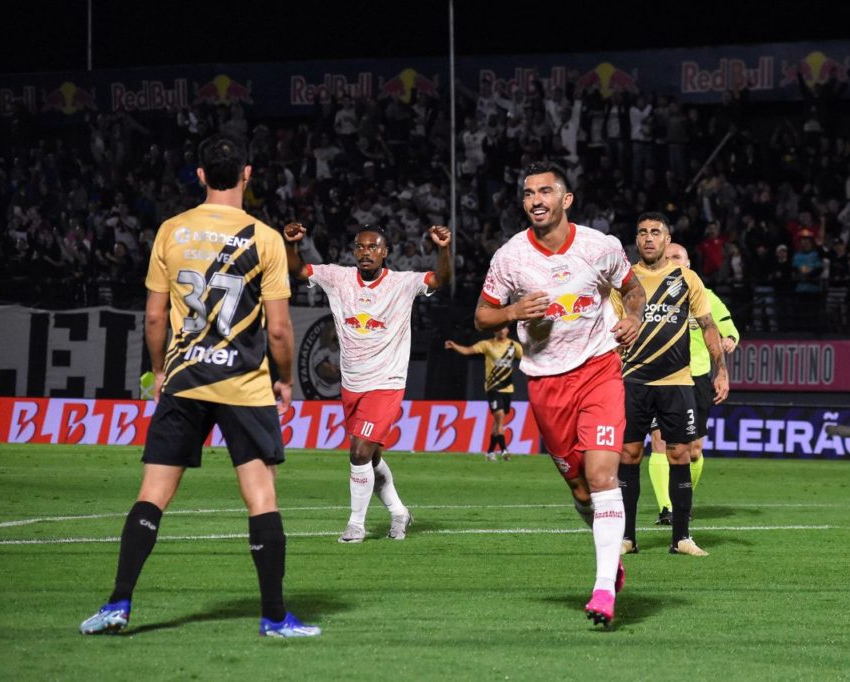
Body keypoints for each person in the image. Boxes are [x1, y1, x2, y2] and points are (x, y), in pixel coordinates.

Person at [80, 134, 320, 638]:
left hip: (185, 379)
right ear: (247, 174)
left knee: (152, 495)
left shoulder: (172, 230)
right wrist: (285, 379)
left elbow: (152, 318)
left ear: (201, 176)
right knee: (261, 498)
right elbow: (279, 329)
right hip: (243, 383)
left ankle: (118, 603)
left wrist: (159, 370)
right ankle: (275, 617)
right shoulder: (266, 238)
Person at [475, 161, 646, 627]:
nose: (535, 200)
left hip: (599, 370)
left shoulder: (600, 246)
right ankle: (612, 557)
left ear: (566, 199)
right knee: (579, 488)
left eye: (545, 191)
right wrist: (512, 310)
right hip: (546, 382)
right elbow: (482, 318)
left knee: (603, 475)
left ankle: (604, 588)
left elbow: (632, 291)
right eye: (528, 193)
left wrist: (633, 317)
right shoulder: (510, 258)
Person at [283, 221, 451, 543]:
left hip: (386, 382)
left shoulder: (402, 283)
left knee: (359, 451)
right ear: (353, 252)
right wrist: (291, 244)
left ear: (385, 252)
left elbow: (440, 278)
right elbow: (299, 271)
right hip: (352, 384)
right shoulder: (338, 278)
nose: (366, 252)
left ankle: (355, 526)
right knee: (370, 458)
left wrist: (444, 250)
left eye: (373, 247)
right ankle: (400, 512)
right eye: (360, 247)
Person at [616, 215, 730, 558]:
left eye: (656, 232)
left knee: (680, 453)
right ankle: (626, 538)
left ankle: (681, 538)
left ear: (667, 239)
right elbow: (609, 326)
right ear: (636, 240)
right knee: (628, 454)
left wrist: (720, 371)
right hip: (632, 379)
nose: (648, 238)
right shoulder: (623, 280)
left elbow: (709, 327)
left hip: (676, 382)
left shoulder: (687, 278)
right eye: (642, 232)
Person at [648, 242, 739, 527]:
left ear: (688, 263)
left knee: (694, 450)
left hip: (696, 377)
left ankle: (681, 502)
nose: (672, 261)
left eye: (677, 257)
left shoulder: (706, 295)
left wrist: (730, 340)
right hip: (659, 377)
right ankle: (666, 508)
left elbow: (729, 327)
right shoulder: (648, 293)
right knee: (660, 442)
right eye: (668, 257)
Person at [444, 327, 523, 461]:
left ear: (508, 330)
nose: (501, 331)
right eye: (498, 329)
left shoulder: (514, 346)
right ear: (494, 331)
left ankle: (490, 452)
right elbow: (468, 350)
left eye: (503, 328)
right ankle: (504, 450)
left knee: (497, 422)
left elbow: (526, 357)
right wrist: (454, 346)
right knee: (499, 417)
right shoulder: (487, 345)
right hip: (493, 387)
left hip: (508, 389)